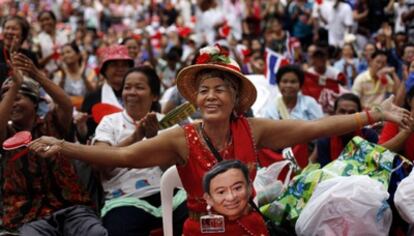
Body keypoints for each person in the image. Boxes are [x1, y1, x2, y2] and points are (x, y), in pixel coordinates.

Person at [28, 44, 410, 235]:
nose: (210, 96)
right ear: (194, 99)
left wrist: (376, 113)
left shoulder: (253, 128)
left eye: (220, 89)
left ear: (234, 98)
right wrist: (62, 146)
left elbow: (314, 129)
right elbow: (123, 156)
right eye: (204, 90)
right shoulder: (180, 136)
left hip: (251, 227)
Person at [0, 53, 106, 235]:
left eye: (17, 98)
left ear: (34, 102)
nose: (12, 105)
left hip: (73, 209)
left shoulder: (52, 124)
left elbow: (65, 104)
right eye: (7, 101)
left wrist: (35, 73)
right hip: (29, 217)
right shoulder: (6, 137)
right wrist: (14, 87)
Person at [93, 66, 187, 236]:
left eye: (140, 87)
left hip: (169, 194)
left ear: (155, 95)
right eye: (127, 87)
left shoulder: (167, 124)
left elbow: (175, 170)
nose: (131, 92)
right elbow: (100, 165)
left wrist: (153, 140)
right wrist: (135, 137)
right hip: (124, 199)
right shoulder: (109, 123)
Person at [76, 44, 134, 143]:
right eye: (114, 65)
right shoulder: (93, 97)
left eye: (124, 65)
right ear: (104, 70)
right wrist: (81, 126)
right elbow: (85, 138)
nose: (120, 69)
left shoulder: (139, 95)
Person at [202, 160, 268, 235]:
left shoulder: (256, 220)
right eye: (221, 192)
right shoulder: (203, 231)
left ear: (249, 188)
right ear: (209, 199)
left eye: (237, 188)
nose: (231, 197)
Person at [312, 93, 379, 167]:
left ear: (360, 115)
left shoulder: (369, 136)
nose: (346, 116)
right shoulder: (324, 139)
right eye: (342, 111)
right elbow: (325, 170)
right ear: (334, 113)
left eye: (352, 112)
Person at [53, 42, 98, 109]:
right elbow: (56, 96)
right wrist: (63, 76)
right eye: (62, 54)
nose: (65, 55)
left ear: (78, 55)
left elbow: (94, 93)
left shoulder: (89, 72)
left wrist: (83, 77)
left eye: (68, 52)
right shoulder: (59, 74)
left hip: (87, 109)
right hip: (67, 111)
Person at [0, 15, 39, 85]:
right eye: (7, 28)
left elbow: (34, 81)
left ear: (22, 35)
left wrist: (13, 53)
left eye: (14, 29)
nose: (9, 32)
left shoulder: (30, 56)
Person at [36, 10, 70, 76]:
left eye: (47, 19)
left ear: (54, 20)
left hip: (65, 72)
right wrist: (52, 55)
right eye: (42, 21)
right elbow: (37, 63)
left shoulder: (63, 35)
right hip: (48, 75)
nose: (45, 22)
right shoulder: (38, 39)